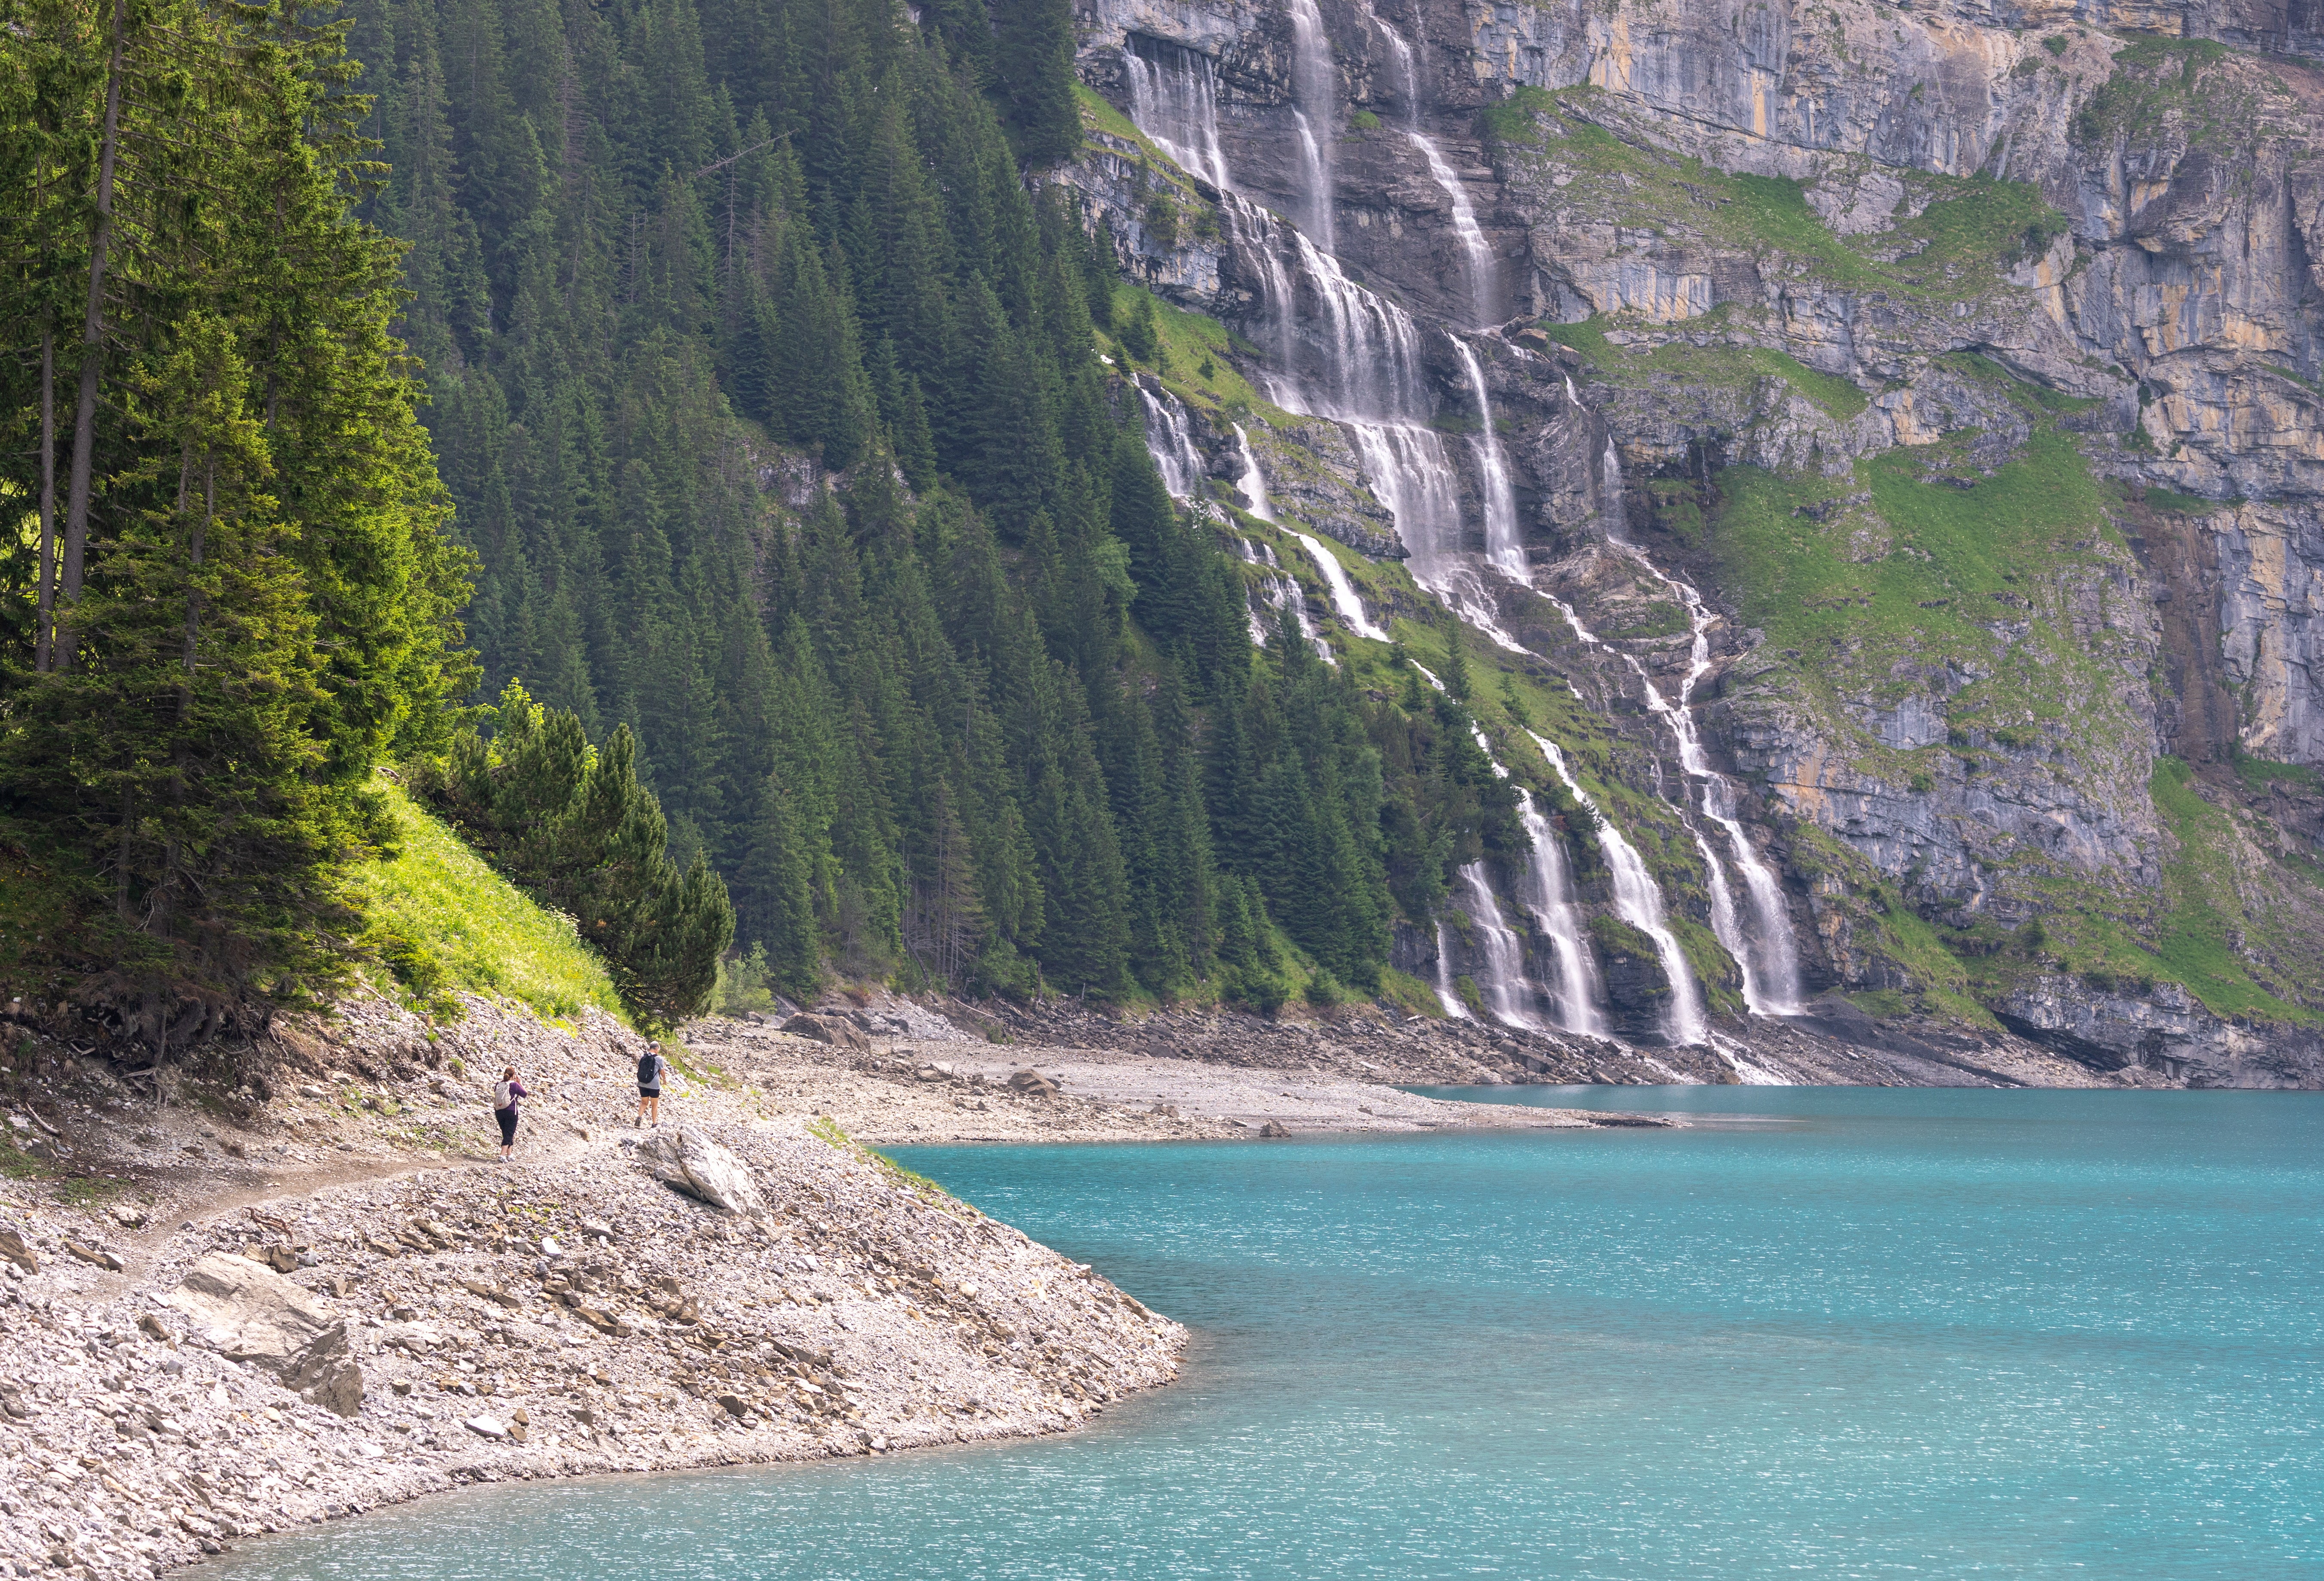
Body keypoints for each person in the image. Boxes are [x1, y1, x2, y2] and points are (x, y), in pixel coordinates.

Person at [492, 1066, 528, 1162]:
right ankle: (502, 1155)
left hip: (499, 1111)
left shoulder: (498, 1084)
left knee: (506, 1133)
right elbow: (525, 1094)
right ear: (514, 1076)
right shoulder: (514, 1085)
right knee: (509, 1133)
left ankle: (510, 1155)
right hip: (511, 1111)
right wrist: (520, 1083)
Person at [636, 1046, 670, 1127]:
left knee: (644, 1103)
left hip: (642, 1083)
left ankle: (639, 1118)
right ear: (657, 1049)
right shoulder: (659, 1059)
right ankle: (654, 1124)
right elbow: (662, 1072)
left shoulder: (643, 1056)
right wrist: (665, 1080)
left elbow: (639, 1067)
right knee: (654, 1104)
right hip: (654, 1085)